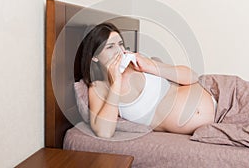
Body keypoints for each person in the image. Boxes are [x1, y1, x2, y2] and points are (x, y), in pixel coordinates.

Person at [74, 22, 217, 138]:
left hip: (215, 104)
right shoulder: (99, 88)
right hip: (201, 123)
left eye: (120, 44)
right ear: (95, 57)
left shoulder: (138, 64)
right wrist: (116, 83)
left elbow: (192, 77)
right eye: (110, 47)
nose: (119, 50)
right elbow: (104, 132)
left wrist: (151, 66)